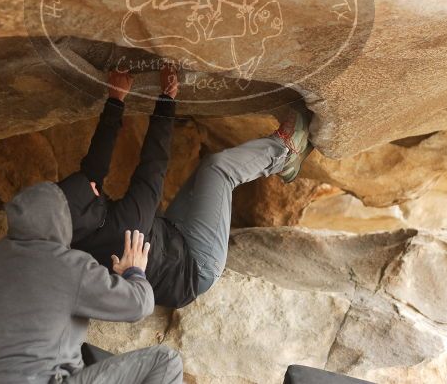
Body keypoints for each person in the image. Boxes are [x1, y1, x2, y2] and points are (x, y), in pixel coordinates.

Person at [60, 63, 313, 308]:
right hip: (196, 267)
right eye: (91, 192)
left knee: (207, 170)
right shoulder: (126, 225)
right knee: (218, 170)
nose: (95, 187)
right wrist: (167, 97)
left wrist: (115, 100)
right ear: (90, 211)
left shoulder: (76, 229)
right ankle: (283, 154)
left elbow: (95, 164)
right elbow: (153, 164)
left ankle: (283, 162)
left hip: (170, 238)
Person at [0, 181, 183, 384]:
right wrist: (134, 272)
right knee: (167, 360)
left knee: (89, 355)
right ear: (60, 220)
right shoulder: (67, 265)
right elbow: (139, 305)